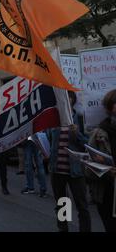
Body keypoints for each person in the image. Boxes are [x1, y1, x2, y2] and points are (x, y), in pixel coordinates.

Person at [48, 91, 91, 232]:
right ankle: (63, 229)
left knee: (81, 205)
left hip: (75, 171)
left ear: (72, 100)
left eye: (67, 98)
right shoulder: (54, 119)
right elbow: (49, 139)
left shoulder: (80, 118)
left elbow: (88, 145)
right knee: (62, 204)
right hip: (57, 169)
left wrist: (77, 133)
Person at [86, 90, 116, 232]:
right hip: (106, 194)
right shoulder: (99, 134)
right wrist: (107, 171)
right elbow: (89, 168)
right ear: (110, 107)